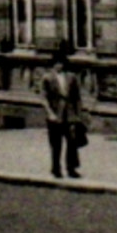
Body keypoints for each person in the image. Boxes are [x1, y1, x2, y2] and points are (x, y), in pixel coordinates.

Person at [41, 48, 84, 179]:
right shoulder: (47, 78)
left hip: (70, 114)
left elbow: (77, 97)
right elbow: (43, 98)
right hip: (55, 115)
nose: (59, 65)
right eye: (57, 63)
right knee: (56, 144)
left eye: (61, 63)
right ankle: (56, 168)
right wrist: (50, 113)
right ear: (53, 64)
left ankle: (71, 168)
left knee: (72, 142)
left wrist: (78, 114)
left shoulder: (71, 77)